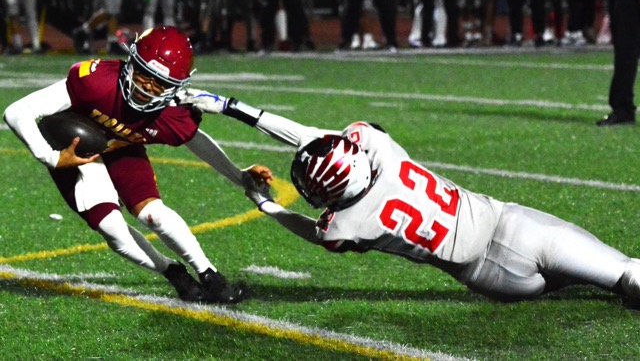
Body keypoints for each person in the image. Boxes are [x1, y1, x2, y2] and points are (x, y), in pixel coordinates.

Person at [179, 90, 640, 307]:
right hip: (511, 224)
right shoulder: (378, 147)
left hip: (494, 279)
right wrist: (229, 106)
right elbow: (309, 134)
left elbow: (313, 231)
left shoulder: (348, 224)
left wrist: (268, 205)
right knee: (624, 273)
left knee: (558, 284)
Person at [3, 26, 270, 303]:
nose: (147, 88)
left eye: (160, 84)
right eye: (145, 75)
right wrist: (52, 156)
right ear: (132, 62)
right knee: (112, 230)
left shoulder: (173, 115)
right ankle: (172, 271)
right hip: (76, 151)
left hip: (122, 147)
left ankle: (210, 275)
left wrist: (239, 176)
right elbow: (16, 111)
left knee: (152, 213)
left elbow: (198, 143)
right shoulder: (97, 81)